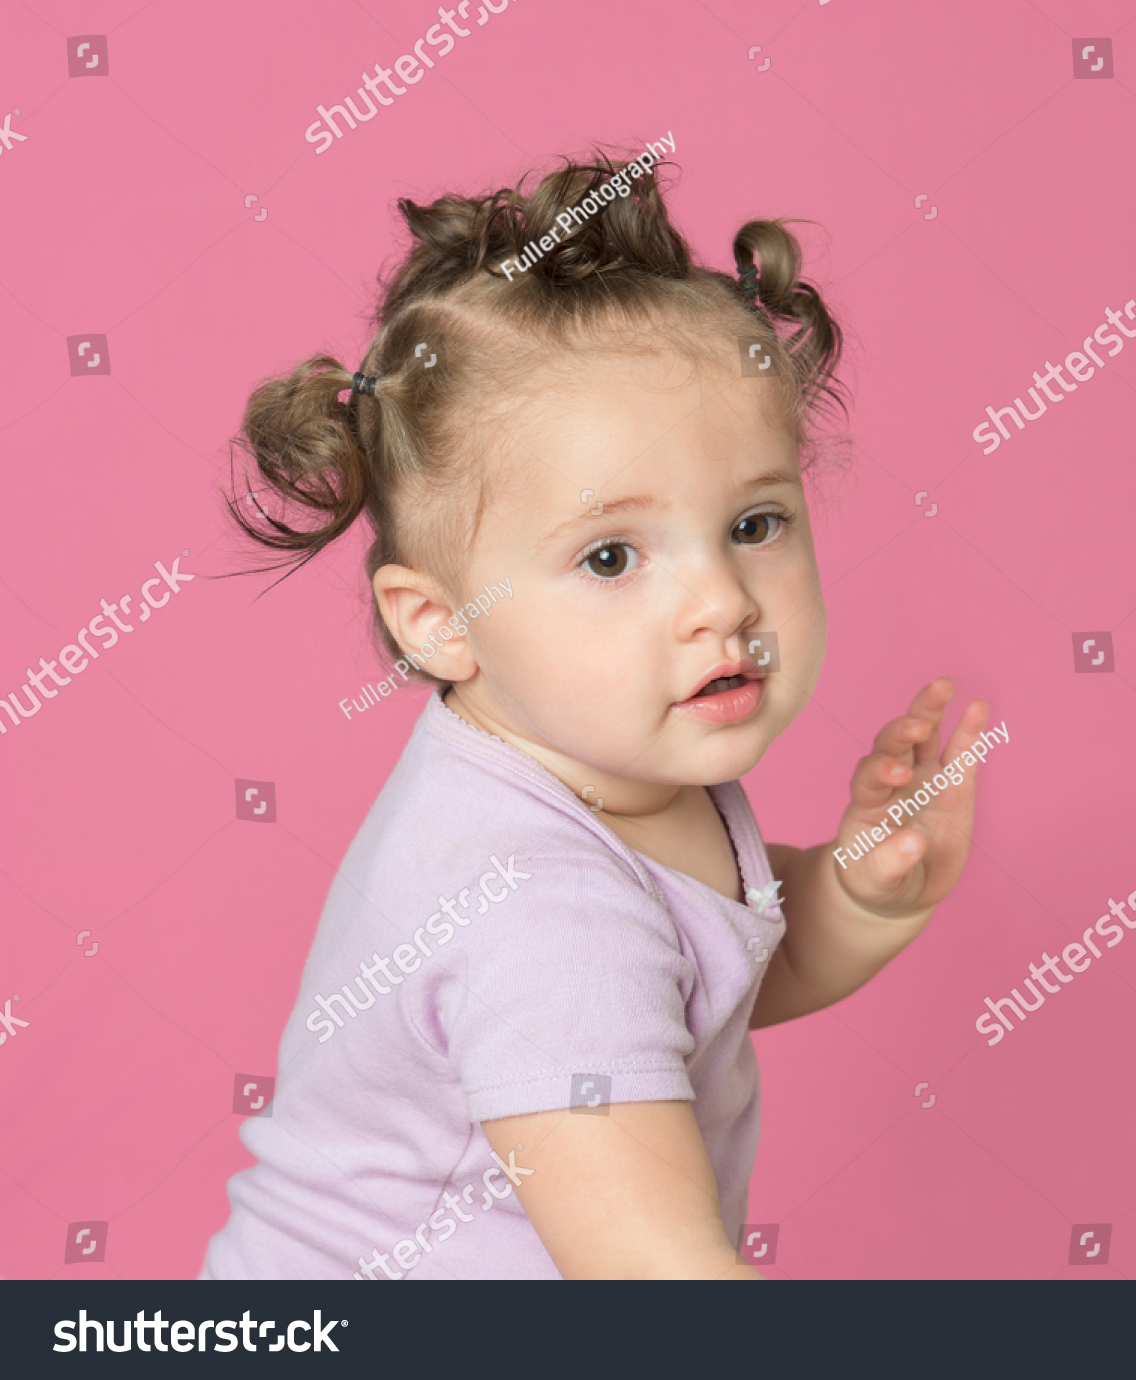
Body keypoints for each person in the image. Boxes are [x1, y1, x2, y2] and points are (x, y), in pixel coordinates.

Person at [200, 146, 992, 1280]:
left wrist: (858, 893)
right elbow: (658, 1274)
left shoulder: (599, 766)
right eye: (612, 556)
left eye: (755, 525)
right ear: (440, 622)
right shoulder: (535, 910)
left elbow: (692, 983)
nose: (719, 600)